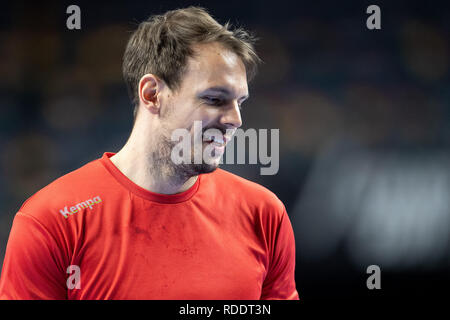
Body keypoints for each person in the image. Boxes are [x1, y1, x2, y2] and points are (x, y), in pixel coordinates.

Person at [0, 6, 299, 300]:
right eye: (214, 99)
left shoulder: (264, 214)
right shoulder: (50, 222)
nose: (235, 120)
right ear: (152, 94)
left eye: (240, 102)